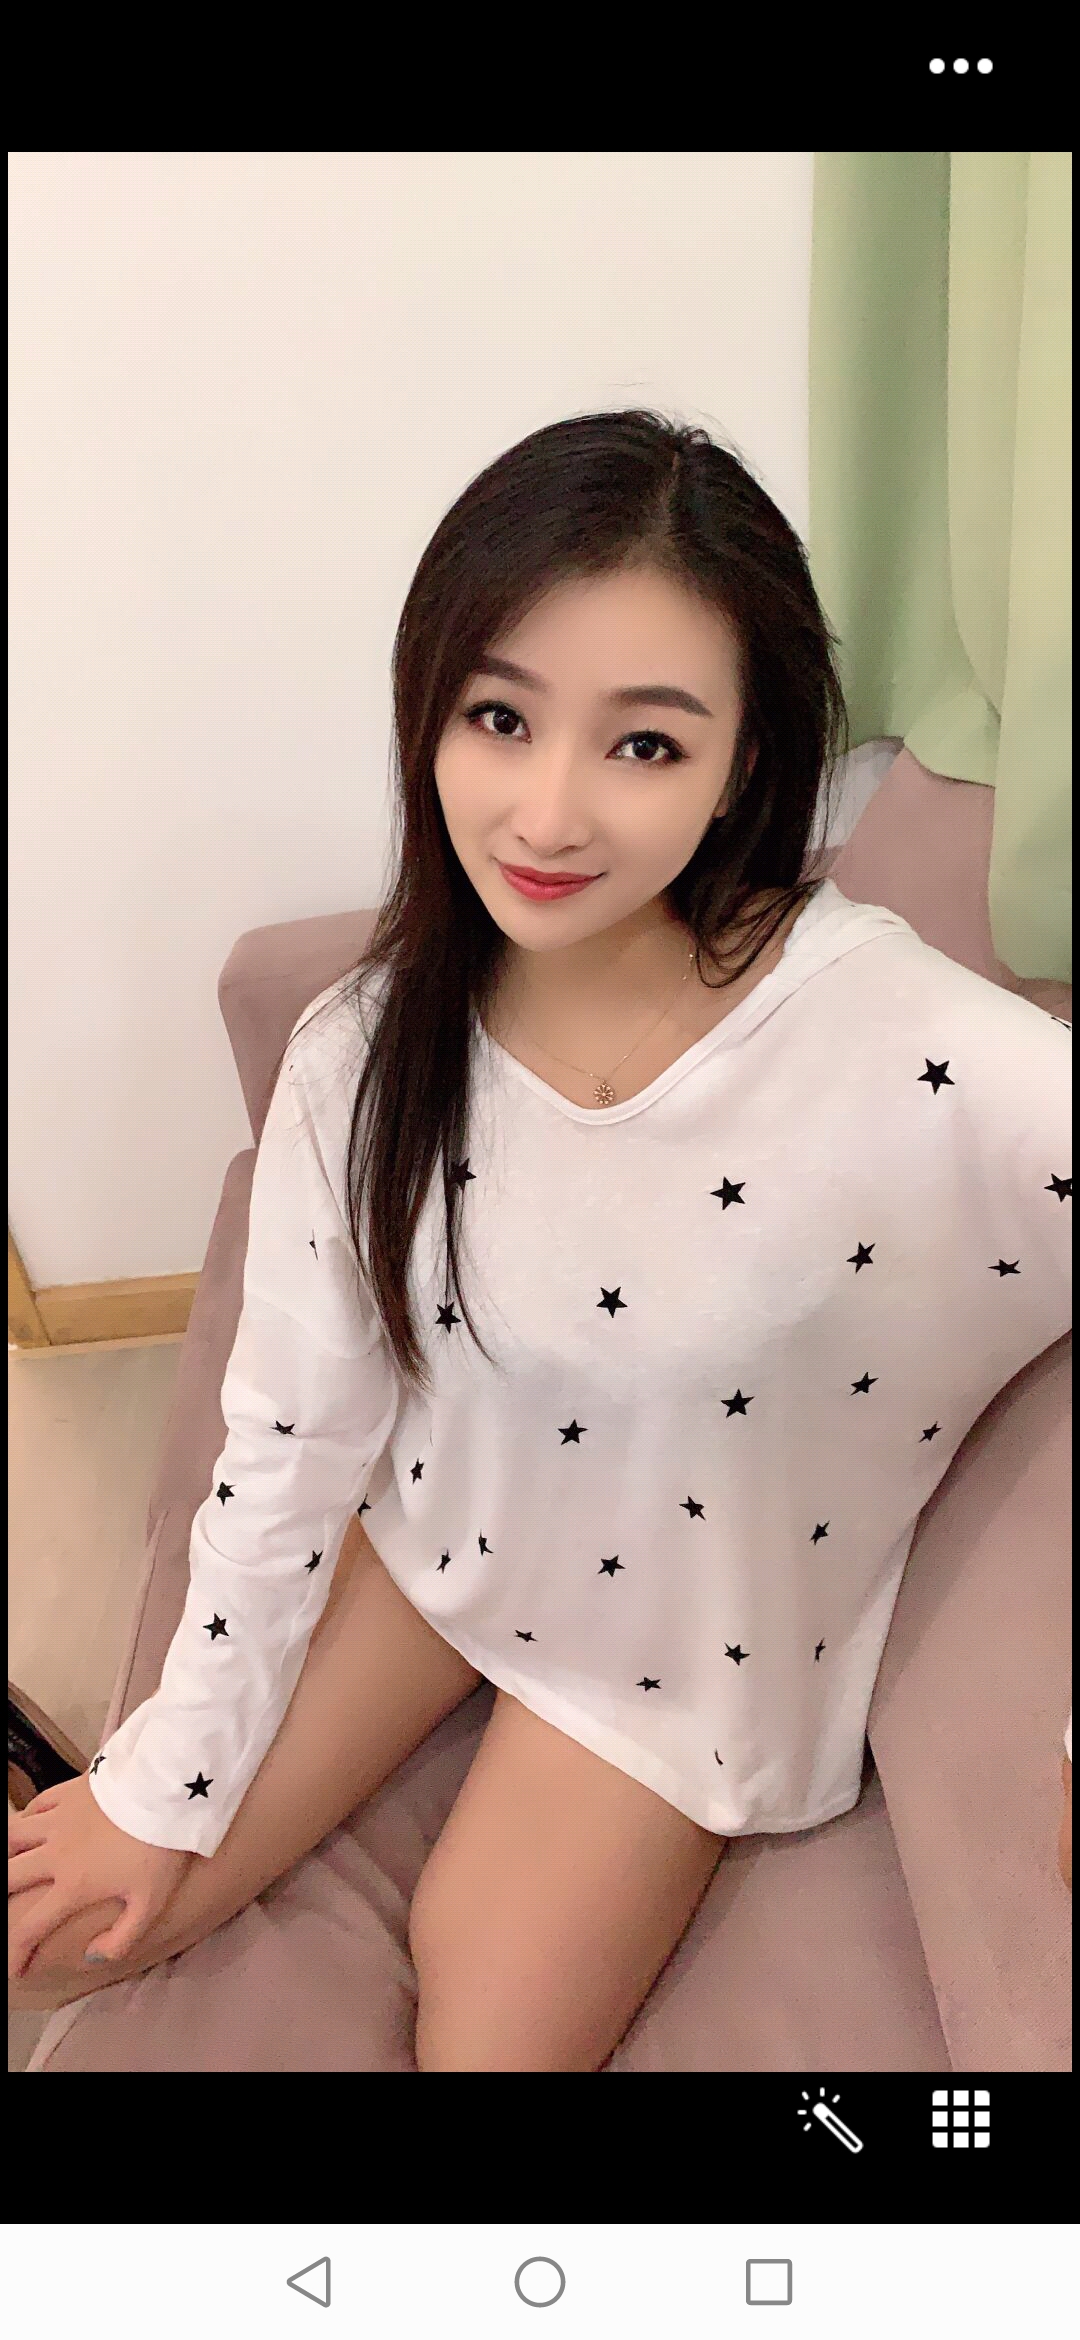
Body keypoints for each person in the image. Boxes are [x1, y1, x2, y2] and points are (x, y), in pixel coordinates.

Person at [8, 411, 1072, 2070]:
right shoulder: (366, 1049)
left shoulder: (893, 1040)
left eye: (644, 743)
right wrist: (161, 1782)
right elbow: (289, 1448)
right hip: (442, 1526)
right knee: (86, 1913)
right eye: (500, 718)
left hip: (677, 1662)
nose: (549, 813)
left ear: (744, 762)